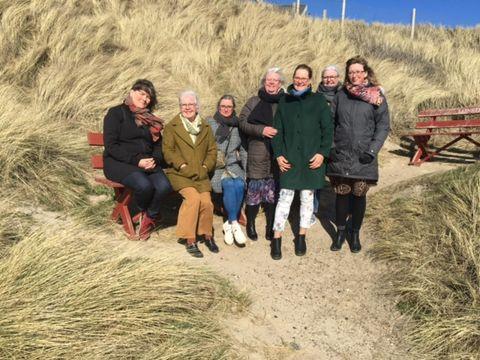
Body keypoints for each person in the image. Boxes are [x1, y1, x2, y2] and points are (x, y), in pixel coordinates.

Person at [327, 56, 390, 253]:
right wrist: (331, 146)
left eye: (358, 71)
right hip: (342, 154)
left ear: (365, 73)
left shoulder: (377, 96)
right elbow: (329, 122)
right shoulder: (341, 95)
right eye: (351, 72)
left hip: (364, 156)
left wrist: (372, 151)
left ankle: (354, 233)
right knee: (342, 194)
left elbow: (383, 126)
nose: (354, 75)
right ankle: (340, 232)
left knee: (359, 194)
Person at [271, 64, 333, 260]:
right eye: (297, 77)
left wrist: (322, 154)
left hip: (311, 161)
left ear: (310, 80)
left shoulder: (319, 101)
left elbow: (328, 131)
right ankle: (277, 238)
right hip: (288, 160)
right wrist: (278, 154)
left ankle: (301, 237)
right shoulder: (284, 101)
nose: (299, 81)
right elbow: (276, 131)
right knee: (284, 199)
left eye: (304, 78)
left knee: (307, 200)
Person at [103, 79, 172, 240]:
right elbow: (111, 146)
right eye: (142, 93)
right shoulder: (116, 113)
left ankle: (149, 217)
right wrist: (136, 161)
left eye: (148, 97)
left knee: (164, 186)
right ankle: (142, 212)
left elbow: (157, 145)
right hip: (119, 163)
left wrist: (154, 159)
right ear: (132, 92)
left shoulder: (150, 119)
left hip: (146, 163)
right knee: (144, 185)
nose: (145, 99)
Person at [162, 90, 218, 258]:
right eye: (184, 105)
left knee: (207, 203)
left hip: (200, 173)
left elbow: (212, 150)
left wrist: (206, 166)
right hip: (180, 174)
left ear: (197, 106)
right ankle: (190, 239)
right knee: (193, 199)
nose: (187, 108)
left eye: (190, 104)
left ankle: (206, 235)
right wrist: (183, 165)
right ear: (180, 107)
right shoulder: (172, 126)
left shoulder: (206, 126)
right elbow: (168, 151)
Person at [239, 67, 285, 242]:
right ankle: (250, 224)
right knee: (254, 191)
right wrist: (261, 130)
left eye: (275, 80)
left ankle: (270, 226)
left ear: (280, 83)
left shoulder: (285, 102)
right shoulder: (254, 101)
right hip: (257, 151)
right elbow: (242, 122)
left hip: (277, 154)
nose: (271, 83)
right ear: (264, 82)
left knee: (273, 193)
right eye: (268, 80)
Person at [208, 95, 248, 246]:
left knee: (238, 184)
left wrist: (246, 171)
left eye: (229, 107)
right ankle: (234, 222)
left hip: (232, 164)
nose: (226, 109)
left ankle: (230, 224)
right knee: (229, 185)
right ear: (218, 107)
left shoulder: (238, 126)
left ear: (233, 108)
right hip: (216, 166)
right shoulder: (210, 123)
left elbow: (243, 150)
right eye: (223, 106)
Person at [313, 65, 343, 216]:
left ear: (338, 79)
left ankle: (340, 211)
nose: (329, 79)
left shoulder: (345, 96)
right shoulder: (314, 96)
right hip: (318, 145)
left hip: (339, 145)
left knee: (339, 180)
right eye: (326, 77)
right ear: (322, 79)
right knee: (316, 179)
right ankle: (313, 210)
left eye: (332, 76)